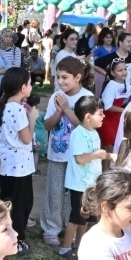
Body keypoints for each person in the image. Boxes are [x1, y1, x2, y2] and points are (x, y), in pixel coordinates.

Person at [40, 57, 93, 245]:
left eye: (65, 77)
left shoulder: (87, 98)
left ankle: (72, 226)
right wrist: (58, 111)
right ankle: (51, 228)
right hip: (57, 154)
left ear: (77, 77)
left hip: (79, 157)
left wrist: (66, 109)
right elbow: (47, 125)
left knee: (76, 195)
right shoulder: (56, 97)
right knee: (54, 193)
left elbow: (86, 126)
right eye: (58, 77)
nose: (60, 82)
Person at [62, 96, 112, 260]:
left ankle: (79, 246)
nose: (103, 116)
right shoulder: (79, 134)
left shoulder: (94, 133)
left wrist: (108, 156)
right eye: (100, 113)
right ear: (88, 116)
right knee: (76, 217)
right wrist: (97, 154)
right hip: (79, 184)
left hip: (90, 184)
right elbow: (80, 159)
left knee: (86, 216)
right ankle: (65, 248)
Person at [0, 68, 37, 255]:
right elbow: (26, 138)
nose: (32, 86)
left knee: (7, 199)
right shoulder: (18, 110)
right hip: (19, 164)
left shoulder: (4, 106)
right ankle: (17, 240)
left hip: (7, 161)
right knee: (21, 203)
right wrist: (32, 119)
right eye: (29, 83)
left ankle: (3, 233)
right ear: (22, 87)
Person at [98, 57, 130, 163]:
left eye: (125, 69)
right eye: (120, 70)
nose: (124, 72)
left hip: (120, 120)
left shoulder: (128, 84)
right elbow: (108, 106)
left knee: (119, 147)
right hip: (109, 120)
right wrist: (125, 110)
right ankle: (106, 174)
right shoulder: (111, 85)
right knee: (108, 149)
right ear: (112, 72)